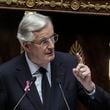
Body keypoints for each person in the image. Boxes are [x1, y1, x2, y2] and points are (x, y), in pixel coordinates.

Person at [0, 12, 110, 110]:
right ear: (27, 46)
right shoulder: (6, 75)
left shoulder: (69, 65)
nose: (51, 46)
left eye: (52, 38)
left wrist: (89, 87)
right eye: (44, 42)